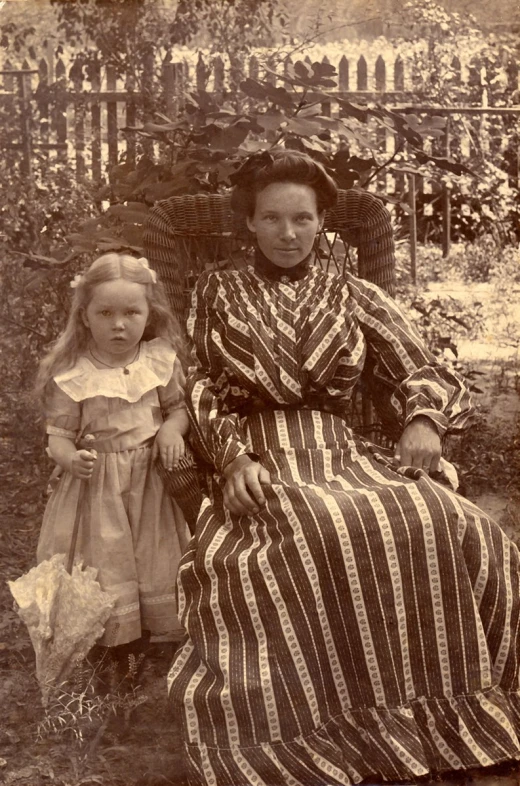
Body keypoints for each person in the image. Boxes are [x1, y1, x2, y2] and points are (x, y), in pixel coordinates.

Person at [167, 150, 520, 785]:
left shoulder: (355, 291)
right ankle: (324, 729)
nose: (287, 234)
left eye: (302, 219)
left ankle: (439, 714)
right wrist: (231, 459)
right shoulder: (216, 290)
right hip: (263, 453)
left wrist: (419, 419)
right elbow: (199, 386)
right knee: (308, 534)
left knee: (434, 518)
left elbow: (421, 365)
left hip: (344, 448)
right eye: (271, 218)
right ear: (249, 221)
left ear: (322, 222)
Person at [36, 253, 190, 664]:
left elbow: (177, 408)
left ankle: (156, 639)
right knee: (108, 560)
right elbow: (58, 438)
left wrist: (172, 430)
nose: (119, 324)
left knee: (154, 555)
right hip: (98, 487)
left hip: (152, 484)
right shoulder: (74, 374)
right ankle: (113, 648)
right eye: (105, 312)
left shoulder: (159, 361)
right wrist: (71, 460)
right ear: (85, 316)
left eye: (131, 312)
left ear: (148, 313)